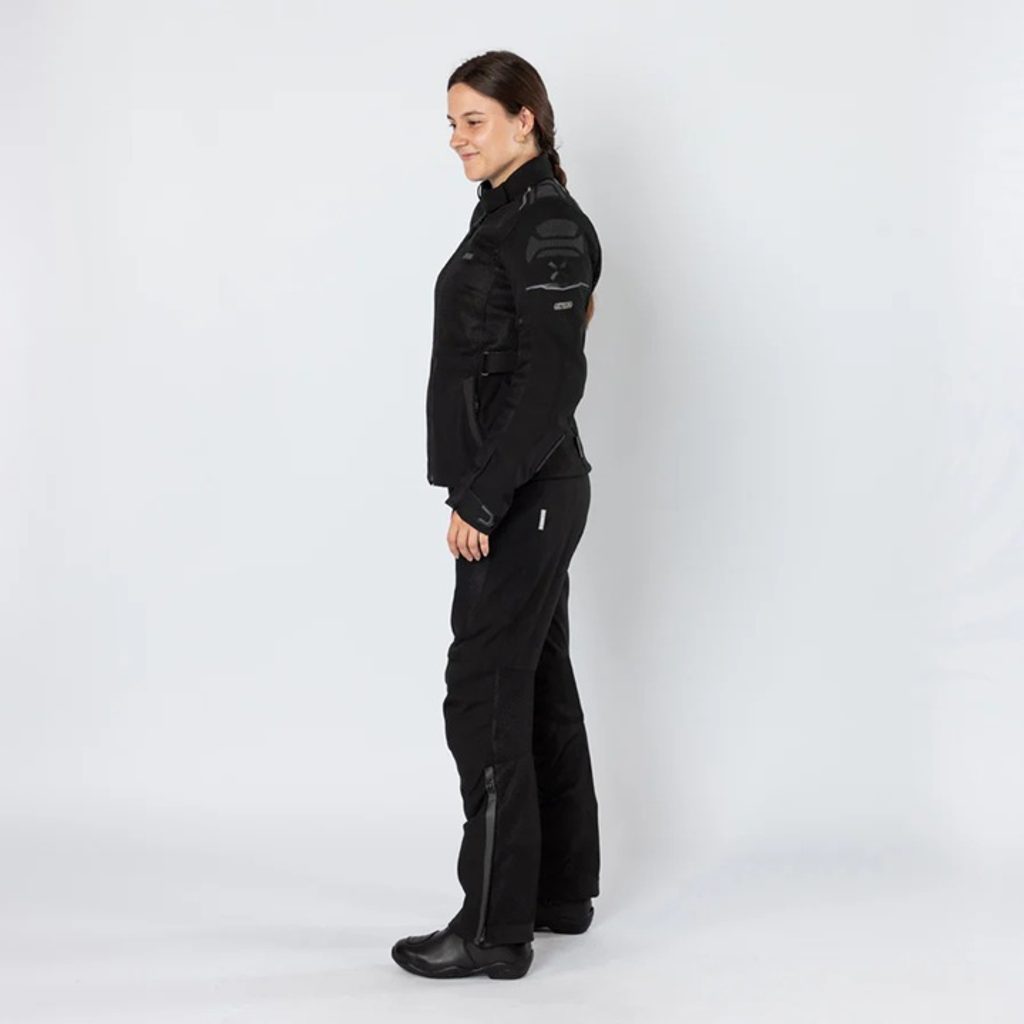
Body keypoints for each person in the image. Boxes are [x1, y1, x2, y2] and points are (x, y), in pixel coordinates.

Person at [391, 50, 602, 981]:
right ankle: (559, 892)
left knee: (482, 692)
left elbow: (553, 378)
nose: (457, 138)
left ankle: (492, 929)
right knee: (536, 681)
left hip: (523, 494)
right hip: (525, 489)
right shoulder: (507, 212)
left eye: (473, 120)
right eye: (451, 122)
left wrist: (482, 495)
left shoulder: (546, 222)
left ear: (527, 120)